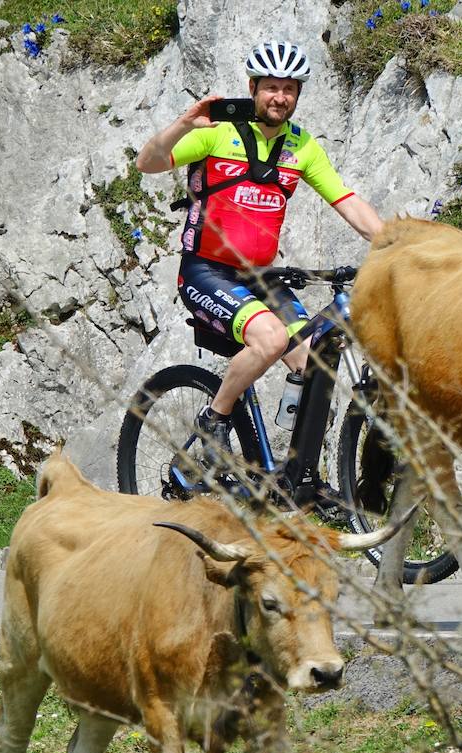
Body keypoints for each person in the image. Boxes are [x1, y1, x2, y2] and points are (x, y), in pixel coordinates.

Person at [136, 40, 383, 463]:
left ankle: (296, 477)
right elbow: (148, 162)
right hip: (206, 273)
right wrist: (183, 124)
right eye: (271, 87)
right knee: (270, 338)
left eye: (289, 89)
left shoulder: (301, 147)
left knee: (316, 361)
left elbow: (348, 202)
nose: (279, 97)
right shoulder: (216, 131)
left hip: (260, 278)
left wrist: (397, 244)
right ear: (252, 87)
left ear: (298, 94)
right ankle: (213, 422)